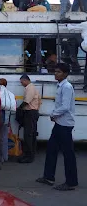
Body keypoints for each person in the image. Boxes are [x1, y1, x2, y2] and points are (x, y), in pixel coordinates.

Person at [36, 63, 78, 191]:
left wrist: (53, 114)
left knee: (68, 154)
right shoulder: (60, 86)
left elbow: (65, 107)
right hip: (60, 124)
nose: (56, 73)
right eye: (55, 71)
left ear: (65, 74)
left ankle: (71, 182)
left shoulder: (66, 87)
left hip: (64, 125)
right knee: (51, 150)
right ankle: (48, 177)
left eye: (58, 72)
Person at [18, 74, 41, 163]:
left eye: (21, 82)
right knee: (31, 134)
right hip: (33, 113)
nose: (21, 84)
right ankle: (30, 154)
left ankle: (29, 156)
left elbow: (26, 101)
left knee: (28, 135)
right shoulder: (31, 88)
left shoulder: (30, 88)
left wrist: (19, 108)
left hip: (30, 113)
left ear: (25, 80)